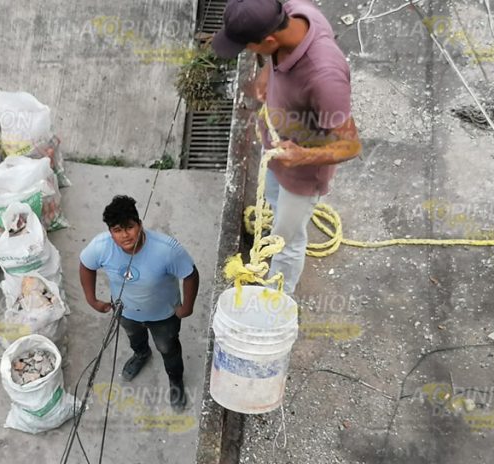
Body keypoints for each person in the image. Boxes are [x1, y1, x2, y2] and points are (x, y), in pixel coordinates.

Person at [213, 0, 362, 295]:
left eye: (248, 46)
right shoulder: (290, 11)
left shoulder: (324, 77)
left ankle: (278, 295)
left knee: (286, 243)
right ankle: (275, 226)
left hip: (301, 173)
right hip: (277, 154)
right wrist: (267, 76)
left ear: (269, 39)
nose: (248, 52)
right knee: (272, 199)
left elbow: (351, 145)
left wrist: (303, 156)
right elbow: (273, 57)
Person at [79, 195, 200, 412]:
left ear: (140, 225)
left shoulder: (167, 249)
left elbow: (190, 274)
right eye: (117, 230)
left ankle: (175, 382)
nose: (125, 235)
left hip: (164, 315)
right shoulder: (100, 246)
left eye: (129, 227)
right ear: (110, 232)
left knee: (168, 348)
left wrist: (187, 307)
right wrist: (92, 299)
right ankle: (141, 354)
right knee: (134, 337)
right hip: (126, 311)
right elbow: (86, 265)